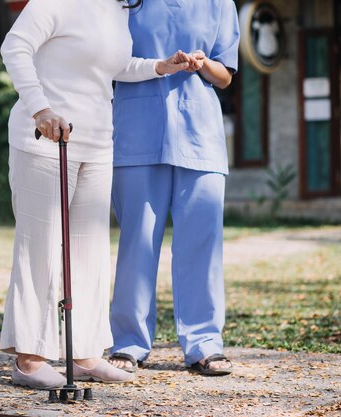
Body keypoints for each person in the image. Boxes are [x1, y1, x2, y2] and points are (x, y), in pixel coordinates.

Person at [0, 0, 190, 389]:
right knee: (42, 249)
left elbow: (114, 66)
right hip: (44, 140)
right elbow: (14, 46)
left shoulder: (118, 9)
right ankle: (29, 359)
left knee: (90, 254)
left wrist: (159, 66)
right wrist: (40, 109)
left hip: (97, 143)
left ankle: (85, 353)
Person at [108, 0, 240, 376]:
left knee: (202, 244)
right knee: (138, 242)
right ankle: (129, 343)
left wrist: (202, 64)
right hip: (136, 133)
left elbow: (225, 74)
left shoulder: (219, 3)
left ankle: (204, 344)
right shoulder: (126, 3)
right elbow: (109, 62)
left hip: (200, 136)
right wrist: (158, 65)